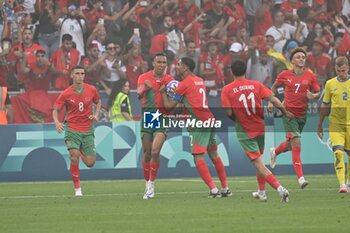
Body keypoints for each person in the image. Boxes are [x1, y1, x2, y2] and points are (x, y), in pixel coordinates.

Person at [221, 60, 292, 202]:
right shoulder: (256, 85)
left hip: (244, 130)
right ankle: (261, 192)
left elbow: (228, 112)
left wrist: (236, 121)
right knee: (260, 160)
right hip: (260, 128)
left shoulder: (227, 89)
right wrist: (285, 112)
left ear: (231, 72)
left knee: (259, 164)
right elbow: (275, 100)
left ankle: (280, 189)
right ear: (245, 72)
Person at [161, 57, 232, 198]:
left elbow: (169, 106)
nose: (177, 66)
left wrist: (163, 92)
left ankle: (213, 190)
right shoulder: (200, 81)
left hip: (199, 123)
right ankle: (225, 188)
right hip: (209, 119)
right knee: (213, 154)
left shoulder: (184, 84)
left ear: (186, 68)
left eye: (179, 64)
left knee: (198, 157)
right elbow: (192, 100)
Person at [268, 47, 321, 189]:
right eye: (298, 57)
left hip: (302, 115)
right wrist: (270, 101)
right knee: (297, 143)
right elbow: (273, 87)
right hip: (288, 113)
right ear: (292, 61)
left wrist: (314, 96)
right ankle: (301, 178)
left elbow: (317, 91)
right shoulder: (285, 74)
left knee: (291, 144)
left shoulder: (310, 76)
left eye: (303, 57)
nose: (301, 59)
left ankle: (275, 151)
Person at [52, 65, 101, 196]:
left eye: (82, 73)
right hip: (72, 128)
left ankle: (78, 149)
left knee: (90, 163)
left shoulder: (91, 89)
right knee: (74, 157)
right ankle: (77, 190)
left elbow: (98, 101)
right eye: (77, 73)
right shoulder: (66, 93)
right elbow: (56, 109)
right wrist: (57, 122)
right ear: (72, 75)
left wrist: (96, 114)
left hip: (87, 129)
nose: (80, 76)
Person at [137, 53, 174, 199]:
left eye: (164, 62)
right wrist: (145, 89)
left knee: (155, 151)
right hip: (149, 116)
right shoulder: (144, 77)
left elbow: (173, 100)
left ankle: (151, 184)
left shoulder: (169, 80)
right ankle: (147, 182)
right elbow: (139, 95)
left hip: (163, 116)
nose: (162, 65)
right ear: (153, 63)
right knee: (147, 154)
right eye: (159, 62)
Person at [317, 56, 350, 193]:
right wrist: (320, 124)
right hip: (335, 124)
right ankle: (342, 184)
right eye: (338, 71)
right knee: (338, 153)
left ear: (348, 68)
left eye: (343, 71)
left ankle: (348, 183)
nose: (341, 73)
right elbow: (325, 106)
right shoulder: (330, 84)